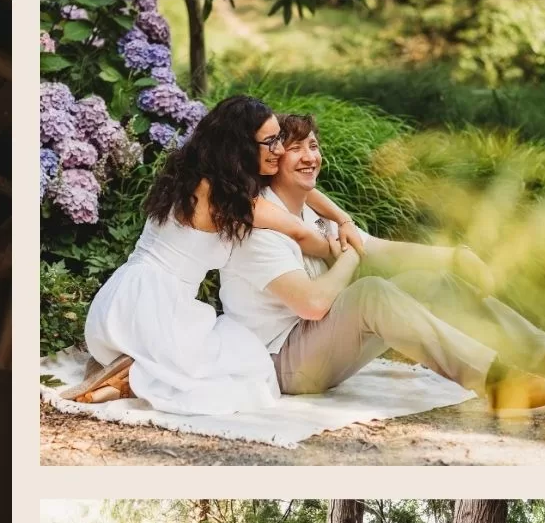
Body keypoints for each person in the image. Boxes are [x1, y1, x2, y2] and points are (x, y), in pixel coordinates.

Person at [218, 113, 545, 416]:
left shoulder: (314, 214)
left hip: (321, 345)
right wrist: (349, 255)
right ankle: (498, 382)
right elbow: (314, 305)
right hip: (282, 362)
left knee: (429, 283)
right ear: (274, 160)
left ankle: (543, 353)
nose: (310, 157)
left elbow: (377, 248)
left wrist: (454, 257)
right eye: (295, 149)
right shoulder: (258, 229)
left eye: (314, 146)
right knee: (370, 293)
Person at [67, 96, 358, 411]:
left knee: (221, 354)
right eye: (270, 142)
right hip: (158, 312)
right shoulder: (228, 197)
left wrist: (343, 219)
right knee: (249, 366)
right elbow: (299, 231)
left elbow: (307, 193)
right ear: (240, 145)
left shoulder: (190, 175)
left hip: (117, 305)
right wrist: (338, 250)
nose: (279, 149)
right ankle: (136, 377)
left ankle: (120, 371)